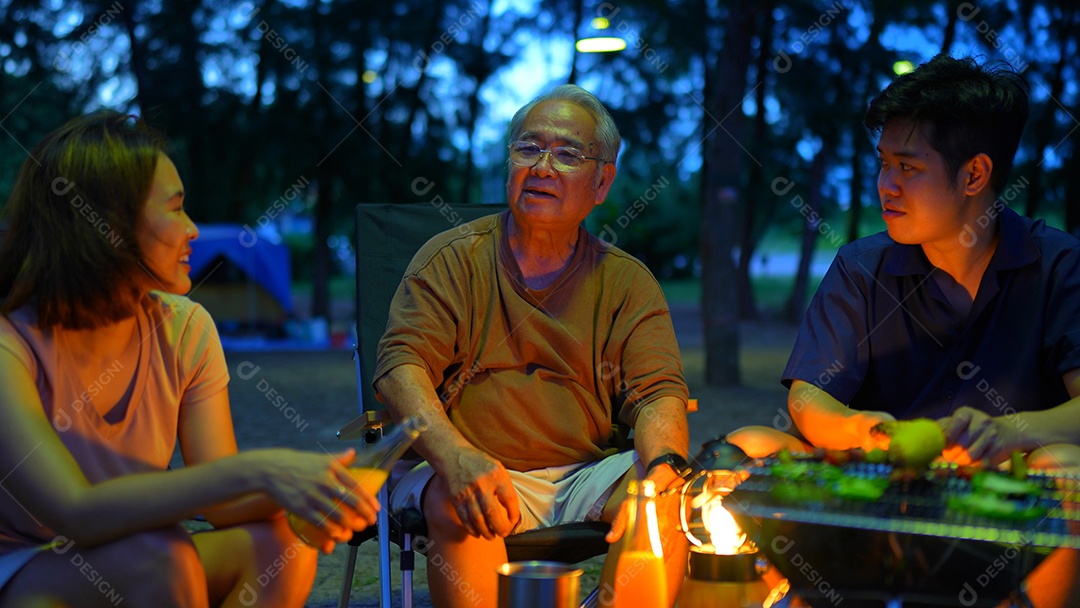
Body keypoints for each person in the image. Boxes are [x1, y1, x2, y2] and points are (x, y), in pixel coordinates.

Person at [729, 55, 1080, 607]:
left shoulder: (1058, 266)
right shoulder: (862, 267)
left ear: (975, 175)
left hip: (998, 499)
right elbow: (808, 398)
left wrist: (1010, 432)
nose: (885, 185)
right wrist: (871, 434)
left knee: (1068, 469)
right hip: (870, 489)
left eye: (908, 168)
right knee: (746, 448)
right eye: (881, 162)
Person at [0, 112, 379, 608]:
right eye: (175, 209)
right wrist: (260, 469)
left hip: (135, 546)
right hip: (25, 564)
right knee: (163, 557)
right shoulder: (13, 343)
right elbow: (76, 512)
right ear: (107, 226)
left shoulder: (184, 328)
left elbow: (222, 503)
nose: (194, 230)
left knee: (280, 544)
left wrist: (318, 487)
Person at [374, 84, 691, 607]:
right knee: (461, 499)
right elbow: (399, 367)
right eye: (528, 148)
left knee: (666, 502)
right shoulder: (453, 260)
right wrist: (456, 458)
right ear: (509, 164)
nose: (542, 166)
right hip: (462, 459)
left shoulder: (626, 282)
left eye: (567, 154)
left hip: (584, 472)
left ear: (602, 182)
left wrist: (661, 471)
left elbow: (658, 394)